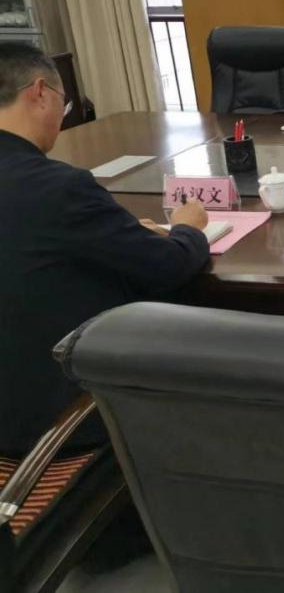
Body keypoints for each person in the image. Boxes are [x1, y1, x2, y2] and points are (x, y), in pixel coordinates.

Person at [0, 43, 211, 458]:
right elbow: (168, 266)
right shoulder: (59, 187)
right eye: (63, 103)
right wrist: (187, 228)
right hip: (56, 423)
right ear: (40, 92)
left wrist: (122, 233)